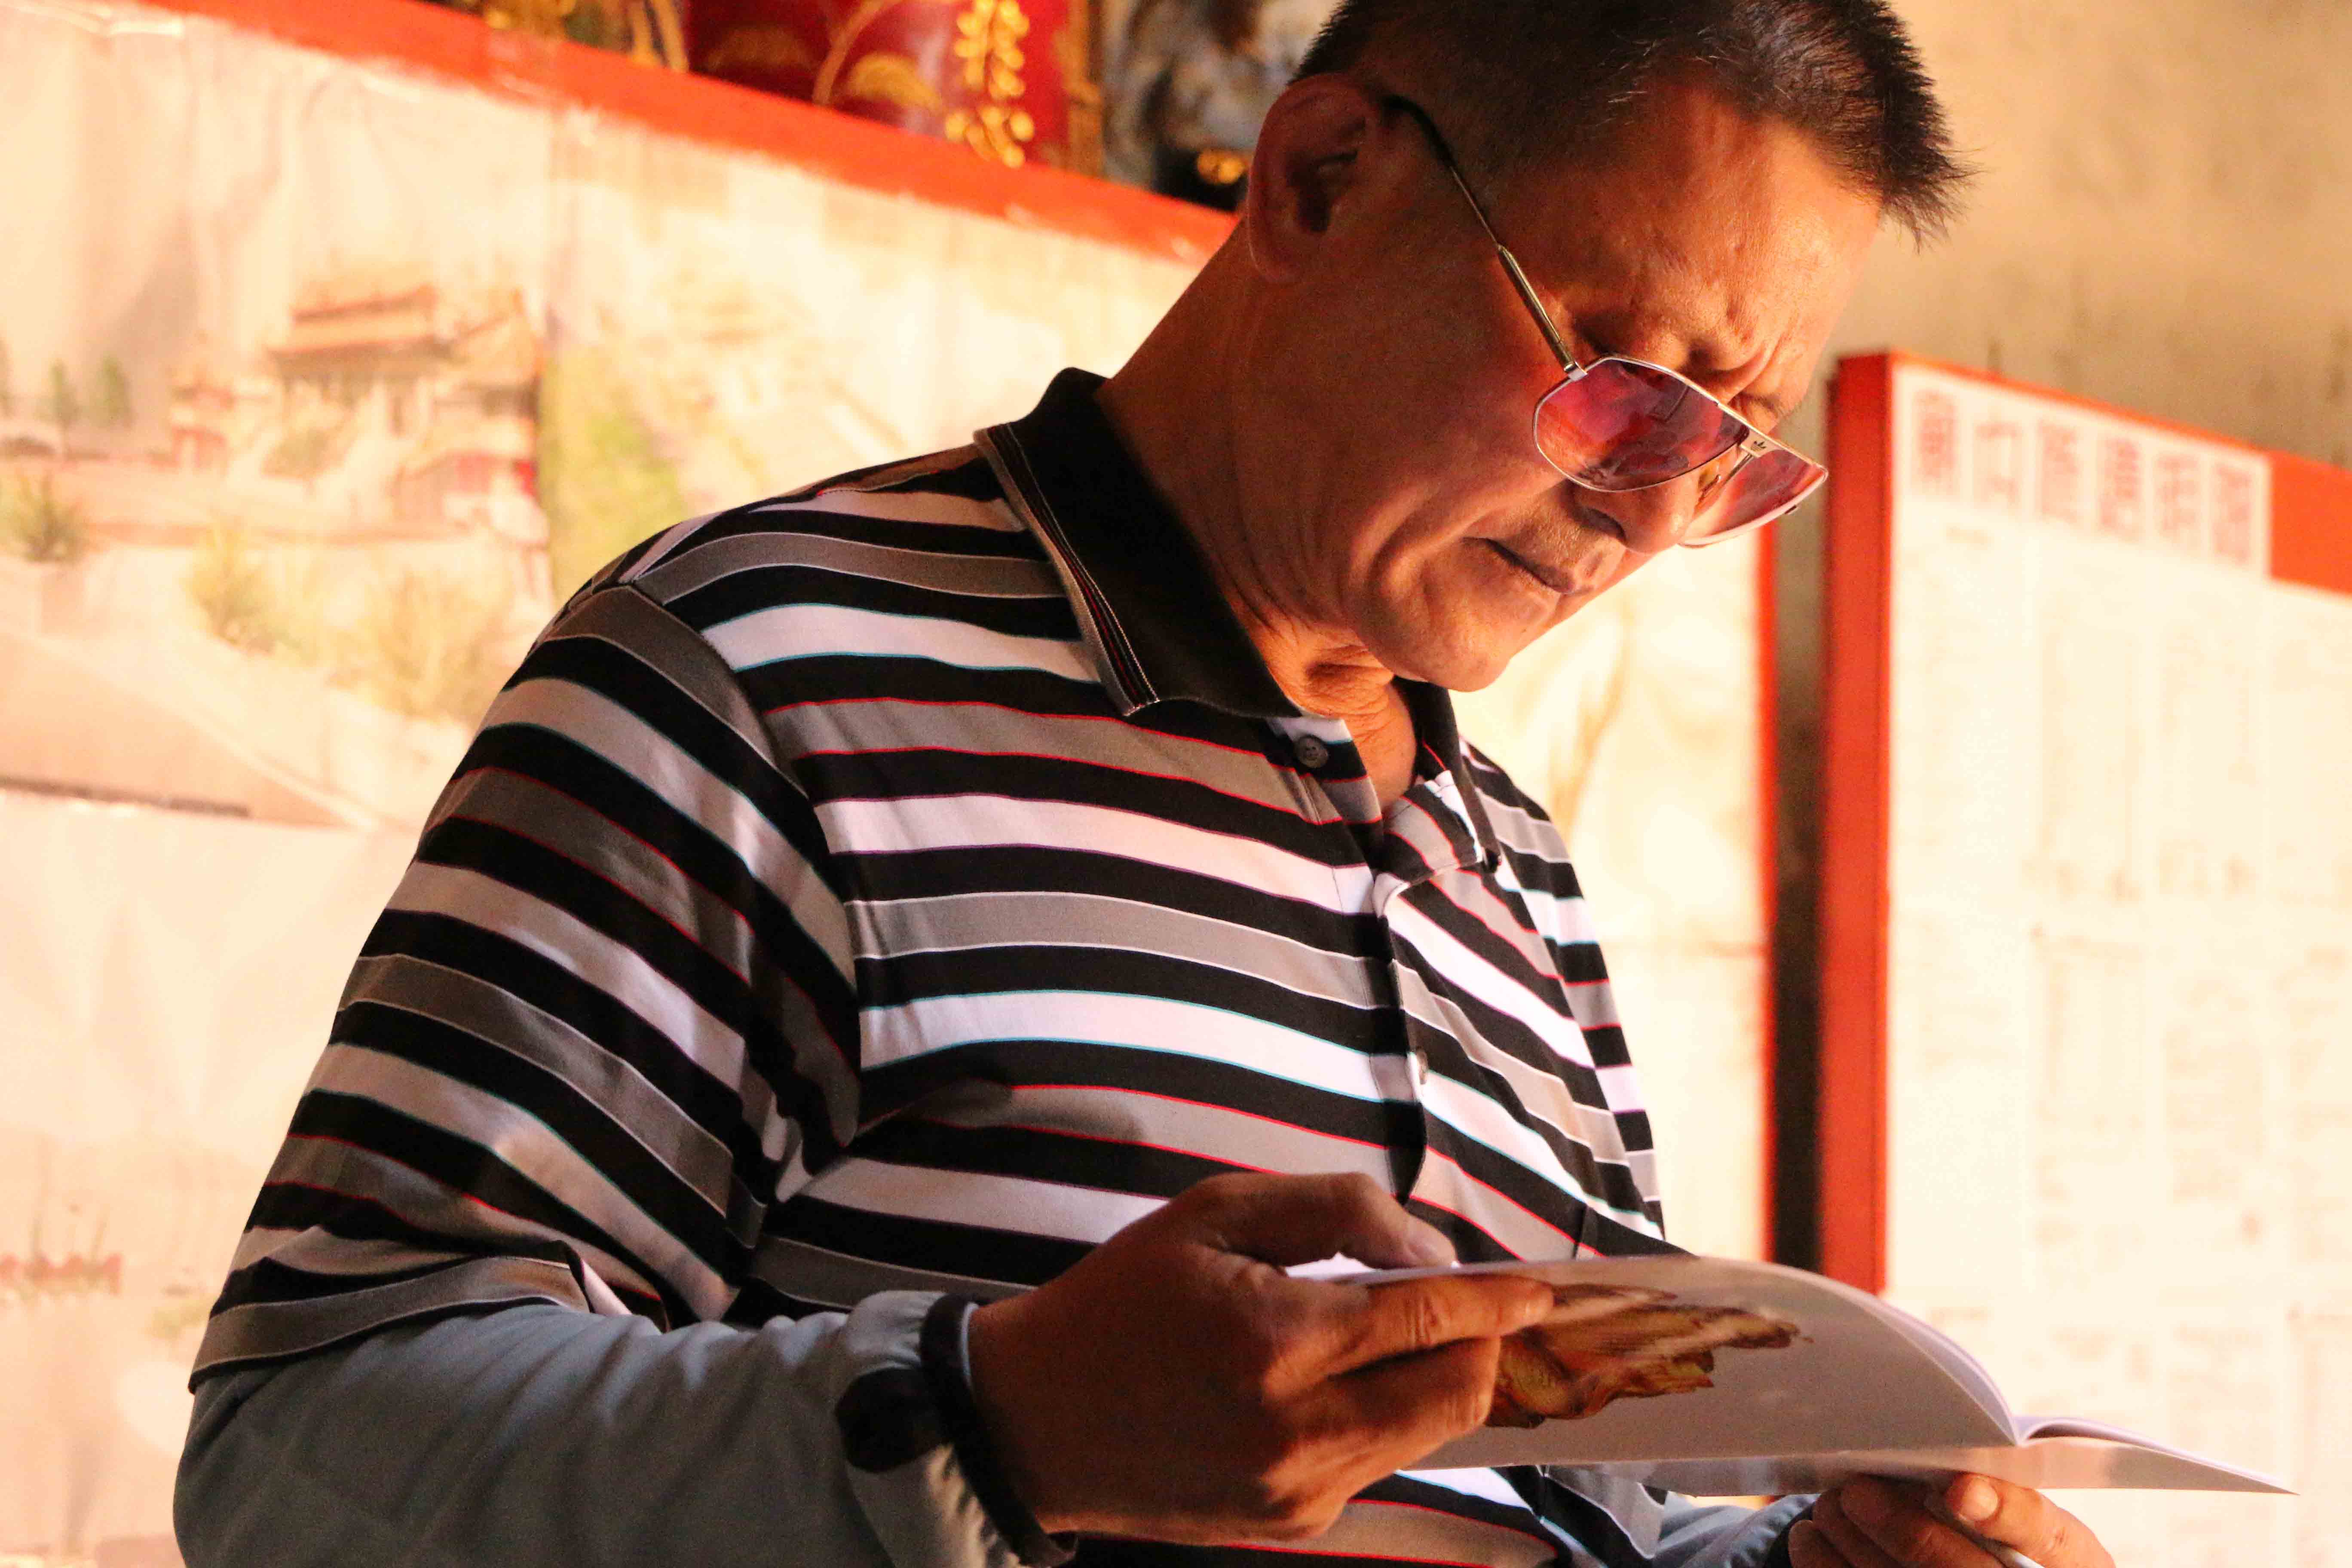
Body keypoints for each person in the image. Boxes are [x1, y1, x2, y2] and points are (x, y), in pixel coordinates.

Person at [175, 3, 2117, 1567]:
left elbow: (1543, 1519)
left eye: (1732, 447)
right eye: (1620, 376)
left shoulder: (1509, 872)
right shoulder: (762, 672)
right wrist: (996, 1425)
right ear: (1322, 179)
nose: (1653, 512)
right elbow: (300, 1460)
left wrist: (1803, 1560)